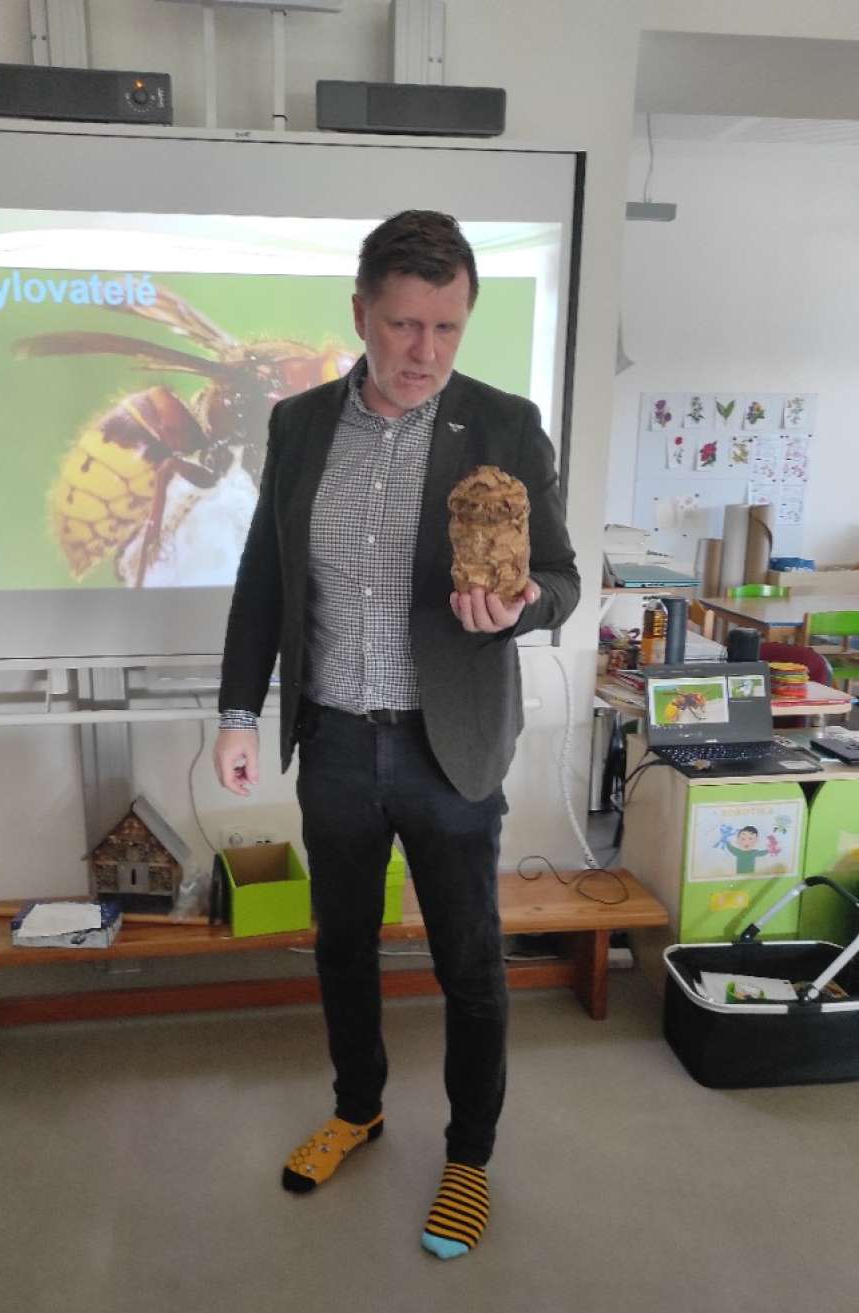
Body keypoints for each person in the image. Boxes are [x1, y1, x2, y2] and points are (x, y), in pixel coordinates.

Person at [213, 210, 579, 1259]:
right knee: (342, 945)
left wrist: (521, 606)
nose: (425, 351)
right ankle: (358, 1106)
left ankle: (468, 1156)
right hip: (333, 739)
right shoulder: (297, 425)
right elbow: (265, 578)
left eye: (447, 327)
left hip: (447, 747)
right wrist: (238, 711)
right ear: (360, 313)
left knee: (469, 960)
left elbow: (559, 576)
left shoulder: (504, 424)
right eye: (404, 324)